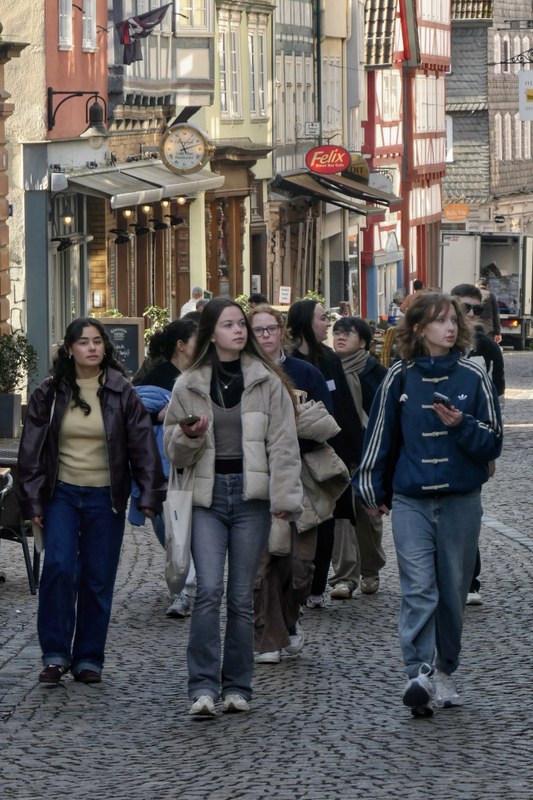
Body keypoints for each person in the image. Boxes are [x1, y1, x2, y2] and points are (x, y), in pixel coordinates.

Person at [354, 292, 502, 717]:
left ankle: (444, 669)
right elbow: (379, 436)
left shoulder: (474, 376)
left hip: (460, 500)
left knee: (453, 594)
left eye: (453, 320)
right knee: (418, 588)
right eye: (439, 321)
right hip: (411, 500)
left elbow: (493, 441)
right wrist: (370, 490)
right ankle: (417, 673)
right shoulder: (398, 377)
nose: (450, 327)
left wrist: (462, 425)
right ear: (419, 329)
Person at [163, 298, 303, 717]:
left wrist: (285, 498)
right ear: (211, 334)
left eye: (241, 323)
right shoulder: (188, 384)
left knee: (241, 596)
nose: (239, 330)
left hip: (251, 498)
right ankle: (202, 687)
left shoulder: (267, 381)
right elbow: (173, 451)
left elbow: (284, 444)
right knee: (208, 590)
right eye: (228, 325)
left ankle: (238, 687)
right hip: (206, 498)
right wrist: (189, 435)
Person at [17, 318, 165, 686]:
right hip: (61, 494)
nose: (92, 347)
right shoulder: (49, 392)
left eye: (97, 341)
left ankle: (88, 658)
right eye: (83, 342)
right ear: (70, 349)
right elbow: (31, 451)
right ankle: (55, 655)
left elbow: (142, 445)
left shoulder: (121, 391)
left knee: (98, 578)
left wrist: (149, 492)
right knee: (59, 568)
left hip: (106, 497)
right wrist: (33, 500)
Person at [248, 304, 342, 664]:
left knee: (300, 568)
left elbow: (325, 421)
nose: (265, 336)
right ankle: (265, 637)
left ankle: (289, 619)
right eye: (258, 330)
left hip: (302, 479)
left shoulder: (305, 372)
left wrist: (286, 429)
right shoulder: (241, 373)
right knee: (264, 564)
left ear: (282, 331)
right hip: (258, 478)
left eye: (271, 329)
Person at [286, 299, 364, 608]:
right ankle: (296, 583)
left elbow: (344, 407)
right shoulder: (287, 361)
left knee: (328, 518)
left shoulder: (330, 358)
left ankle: (318, 586)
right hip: (294, 455)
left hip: (330, 452)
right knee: (297, 519)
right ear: (306, 322)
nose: (327, 324)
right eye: (322, 318)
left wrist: (357, 452)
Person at [131, 317, 199, 618]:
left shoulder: (204, 374)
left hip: (197, 461)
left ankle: (189, 582)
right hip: (163, 464)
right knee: (170, 525)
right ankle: (182, 585)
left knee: (192, 525)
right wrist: (159, 416)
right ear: (181, 346)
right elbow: (132, 417)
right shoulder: (157, 377)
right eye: (198, 341)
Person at [451, 283, 506, 606]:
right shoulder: (433, 346)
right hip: (439, 440)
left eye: (477, 308)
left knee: (468, 512)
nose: (472, 314)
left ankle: (471, 579)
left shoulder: (487, 348)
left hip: (474, 439)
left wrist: (491, 448)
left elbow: (497, 399)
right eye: (466, 307)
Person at [331, 316, 388, 598]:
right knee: (340, 517)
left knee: (368, 517)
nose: (340, 337)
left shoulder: (375, 371)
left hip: (368, 453)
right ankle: (344, 576)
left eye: (348, 333)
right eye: (336, 332)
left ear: (363, 342)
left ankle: (370, 569)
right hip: (337, 451)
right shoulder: (327, 368)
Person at [476, 277, 502, 343]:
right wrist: (498, 333)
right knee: (487, 345)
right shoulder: (490, 295)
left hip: (473, 325)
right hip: (487, 327)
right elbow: (496, 315)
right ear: (487, 286)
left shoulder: (471, 295)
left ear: (477, 285)